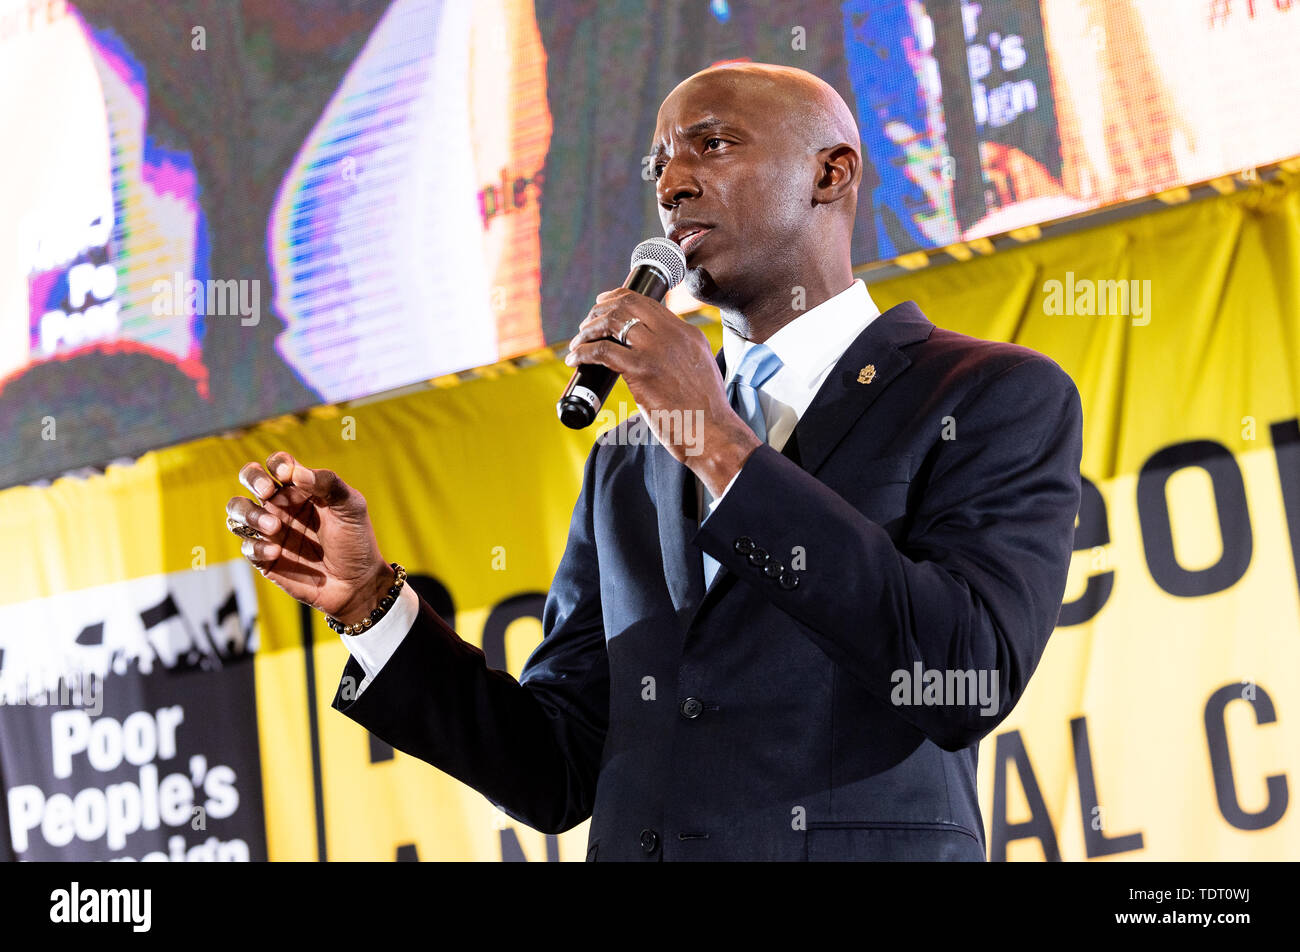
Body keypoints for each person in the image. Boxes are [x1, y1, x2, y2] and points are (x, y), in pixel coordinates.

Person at [225, 63, 1083, 861]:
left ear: (832, 174)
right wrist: (370, 600)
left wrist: (716, 440)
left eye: (711, 145)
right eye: (660, 162)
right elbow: (560, 765)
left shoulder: (987, 395)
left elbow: (963, 679)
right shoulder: (630, 458)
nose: (671, 184)